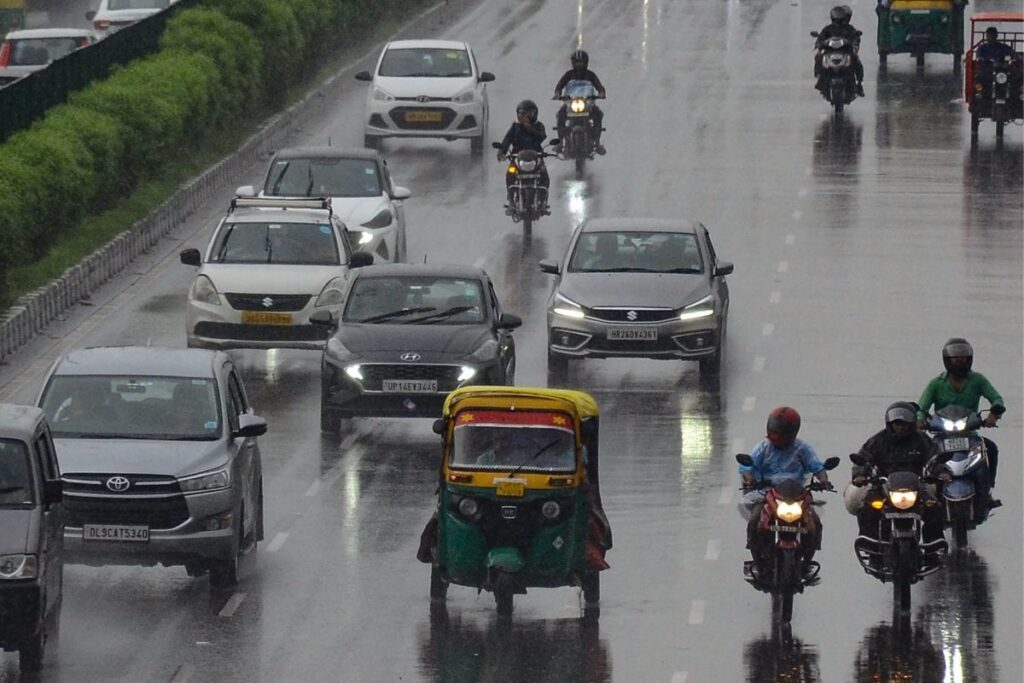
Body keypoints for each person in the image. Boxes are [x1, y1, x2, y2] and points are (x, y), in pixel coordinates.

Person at [738, 407, 831, 578]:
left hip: (796, 495)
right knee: (754, 521)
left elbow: (817, 467)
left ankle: (807, 562)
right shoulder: (763, 448)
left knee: (815, 523)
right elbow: (746, 467)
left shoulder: (802, 449)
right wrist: (750, 479)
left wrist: (824, 480)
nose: (777, 431)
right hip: (767, 494)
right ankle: (757, 562)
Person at [916, 338, 1006, 508]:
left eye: (963, 358)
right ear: (947, 360)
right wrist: (920, 420)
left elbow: (996, 398)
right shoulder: (936, 383)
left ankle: (987, 492)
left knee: (991, 449)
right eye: (955, 359)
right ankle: (923, 493)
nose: (959, 362)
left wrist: (994, 414)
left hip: (969, 434)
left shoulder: (978, 380)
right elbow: (922, 407)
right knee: (924, 455)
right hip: (942, 434)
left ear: (970, 359)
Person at [845, 402, 945, 544]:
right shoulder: (878, 440)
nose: (899, 427)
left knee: (934, 508)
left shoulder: (922, 440)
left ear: (911, 423)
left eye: (903, 424)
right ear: (889, 423)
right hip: (883, 487)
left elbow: (935, 457)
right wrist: (860, 474)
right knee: (866, 509)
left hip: (917, 487)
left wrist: (941, 472)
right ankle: (870, 547)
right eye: (896, 423)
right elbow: (864, 457)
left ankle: (933, 549)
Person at [495, 99, 550, 215]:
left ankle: (543, 201)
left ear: (535, 114)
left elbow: (541, 137)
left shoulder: (539, 126)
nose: (526, 116)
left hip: (536, 158)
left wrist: (529, 127)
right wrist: (501, 152)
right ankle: (511, 202)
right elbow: (507, 140)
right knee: (510, 174)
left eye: (529, 113)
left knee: (544, 175)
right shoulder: (515, 127)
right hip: (517, 158)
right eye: (523, 113)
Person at [553, 49, 607, 155]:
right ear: (573, 63)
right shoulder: (568, 75)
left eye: (581, 62)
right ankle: (560, 143)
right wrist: (557, 94)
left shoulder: (590, 75)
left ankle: (597, 142)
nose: (579, 65)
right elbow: (559, 86)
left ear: (586, 62)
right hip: (571, 104)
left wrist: (601, 93)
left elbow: (599, 86)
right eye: (577, 62)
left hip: (587, 104)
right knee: (560, 115)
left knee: (598, 115)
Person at [814, 5, 865, 96]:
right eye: (837, 17)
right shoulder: (828, 28)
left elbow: (855, 37)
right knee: (818, 56)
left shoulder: (849, 29)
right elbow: (821, 37)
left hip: (845, 52)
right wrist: (819, 44)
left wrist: (855, 43)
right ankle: (819, 78)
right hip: (830, 52)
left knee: (856, 60)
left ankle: (859, 84)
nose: (838, 19)